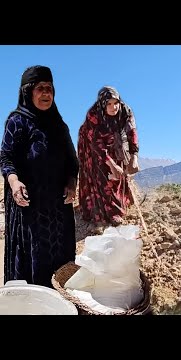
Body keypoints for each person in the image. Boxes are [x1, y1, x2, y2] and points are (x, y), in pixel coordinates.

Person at [0, 65, 79, 287]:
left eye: (50, 89)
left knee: (60, 260)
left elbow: (72, 162)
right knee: (32, 260)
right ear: (28, 91)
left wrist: (72, 184)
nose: (46, 93)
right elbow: (6, 157)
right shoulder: (17, 121)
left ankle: (60, 303)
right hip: (29, 206)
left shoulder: (59, 126)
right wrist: (14, 182)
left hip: (57, 209)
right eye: (40, 88)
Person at [77, 86, 140, 227]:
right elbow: (96, 143)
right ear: (103, 104)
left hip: (115, 141)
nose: (113, 107)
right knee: (100, 172)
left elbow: (132, 133)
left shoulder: (126, 112)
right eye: (109, 104)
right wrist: (111, 163)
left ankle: (120, 203)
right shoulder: (93, 115)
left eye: (115, 103)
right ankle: (105, 212)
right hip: (91, 143)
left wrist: (134, 156)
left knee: (118, 173)